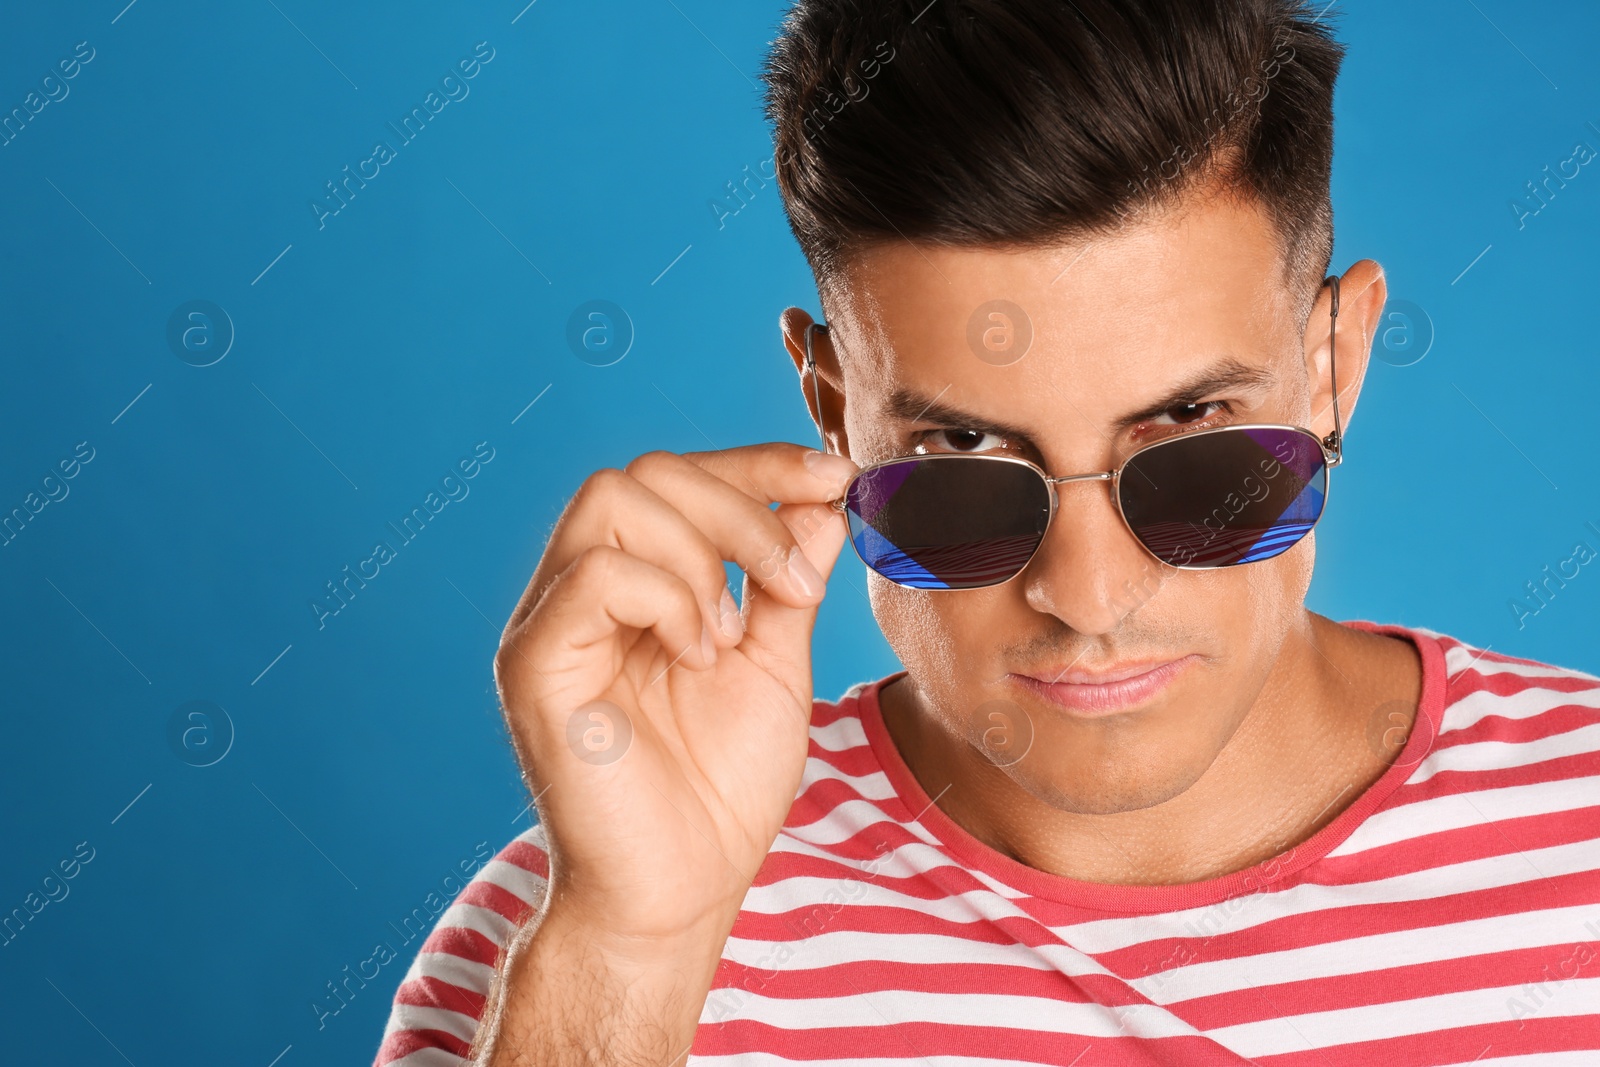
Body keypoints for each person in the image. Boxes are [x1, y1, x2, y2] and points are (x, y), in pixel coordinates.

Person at [372, 1, 1600, 1063]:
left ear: (1333, 368)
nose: (1089, 594)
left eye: (1191, 440)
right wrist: (632, 952)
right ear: (832, 415)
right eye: (962, 463)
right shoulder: (573, 927)